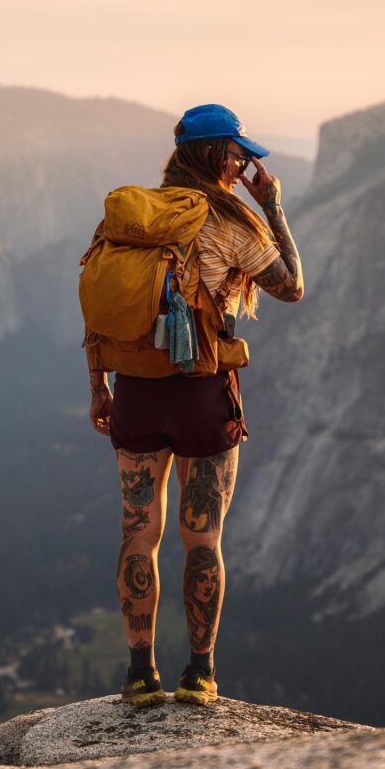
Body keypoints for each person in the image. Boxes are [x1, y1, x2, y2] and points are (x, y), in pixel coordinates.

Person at [87, 104, 303, 706]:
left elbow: (100, 311)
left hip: (133, 387)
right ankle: (200, 674)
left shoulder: (134, 217)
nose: (243, 165)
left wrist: (98, 388)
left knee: (138, 532)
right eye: (238, 154)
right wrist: (273, 205)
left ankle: (139, 675)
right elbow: (290, 286)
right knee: (201, 537)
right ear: (215, 156)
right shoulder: (230, 219)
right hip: (201, 391)